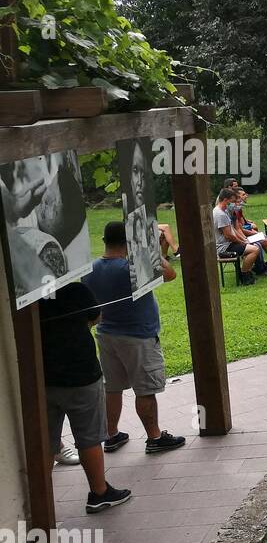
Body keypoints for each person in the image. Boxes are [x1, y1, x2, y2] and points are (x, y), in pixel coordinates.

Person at [82, 221, 186, 455]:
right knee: (144, 389)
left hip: (106, 334)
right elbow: (170, 274)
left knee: (113, 387)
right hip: (138, 336)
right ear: (129, 242)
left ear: (105, 241)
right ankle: (154, 437)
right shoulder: (132, 267)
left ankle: (111, 435)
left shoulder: (90, 269)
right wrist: (150, 250)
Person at [39, 281, 133, 515]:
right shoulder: (74, 289)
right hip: (81, 373)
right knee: (89, 438)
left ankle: (39, 500)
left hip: (42, 376)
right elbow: (96, 317)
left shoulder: (28, 294)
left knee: (45, 441)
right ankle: (99, 493)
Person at [213, 187, 261, 286]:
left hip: (229, 243)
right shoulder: (220, 214)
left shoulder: (223, 211)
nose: (234, 204)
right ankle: (245, 275)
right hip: (224, 247)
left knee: (253, 246)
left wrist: (243, 239)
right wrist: (242, 242)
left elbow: (233, 229)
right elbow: (228, 235)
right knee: (254, 249)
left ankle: (247, 272)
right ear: (226, 200)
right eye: (233, 201)